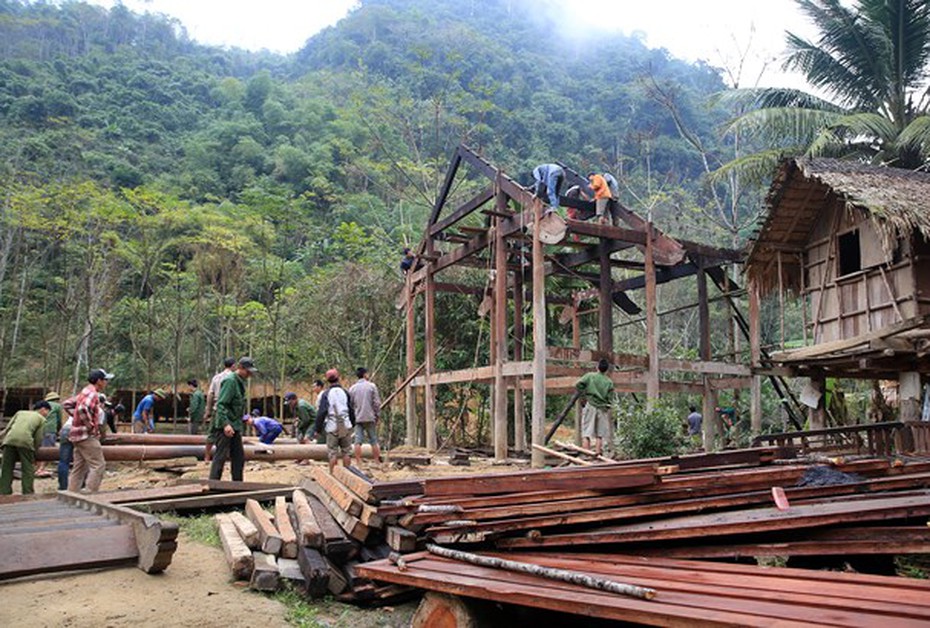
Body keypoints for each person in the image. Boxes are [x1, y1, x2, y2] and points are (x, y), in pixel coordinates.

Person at [209, 357, 257, 481]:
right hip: (226, 426)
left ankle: (237, 484)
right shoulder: (230, 381)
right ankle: (213, 483)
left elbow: (236, 406)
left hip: (235, 425)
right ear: (240, 368)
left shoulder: (239, 382)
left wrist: (244, 418)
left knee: (238, 457)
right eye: (248, 371)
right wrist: (225, 424)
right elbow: (221, 404)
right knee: (220, 456)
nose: (249, 374)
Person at [67, 368, 114, 493]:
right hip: (85, 436)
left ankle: (72, 493)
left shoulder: (84, 391)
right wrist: (90, 427)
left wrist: (76, 418)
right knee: (98, 465)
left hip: (76, 434)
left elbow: (67, 404)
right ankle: (90, 493)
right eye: (105, 380)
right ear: (99, 381)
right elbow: (83, 409)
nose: (106, 383)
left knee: (80, 466)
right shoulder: (93, 393)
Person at [0, 400, 51, 495]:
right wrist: (34, 450)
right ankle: (28, 492)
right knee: (27, 469)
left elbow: (8, 428)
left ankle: (4, 491)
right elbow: (38, 437)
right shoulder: (41, 419)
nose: (47, 414)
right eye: (48, 411)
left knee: (6, 468)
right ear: (43, 409)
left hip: (9, 441)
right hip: (25, 442)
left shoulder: (20, 413)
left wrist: (2, 441)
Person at [314, 368, 355, 473]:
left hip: (332, 427)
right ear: (338, 378)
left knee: (332, 453)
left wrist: (317, 429)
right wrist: (352, 424)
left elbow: (322, 412)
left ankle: (333, 475)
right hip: (345, 425)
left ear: (327, 381)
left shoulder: (326, 394)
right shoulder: (345, 392)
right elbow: (351, 410)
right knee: (346, 452)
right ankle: (347, 475)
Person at [575, 358, 616, 457]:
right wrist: (607, 405)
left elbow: (578, 384)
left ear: (597, 367)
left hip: (591, 406)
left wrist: (584, 395)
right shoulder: (609, 382)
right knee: (600, 433)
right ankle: (598, 454)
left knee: (586, 432)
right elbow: (610, 398)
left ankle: (586, 454)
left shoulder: (590, 376)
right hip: (602, 408)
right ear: (606, 370)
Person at [349, 367, 383, 466]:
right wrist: (377, 415)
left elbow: (350, 404)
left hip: (358, 417)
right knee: (373, 440)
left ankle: (358, 462)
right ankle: (377, 461)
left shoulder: (352, 388)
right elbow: (376, 403)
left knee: (357, 441)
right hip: (369, 416)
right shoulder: (372, 386)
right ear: (365, 375)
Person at [37, 391, 63, 475]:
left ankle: (38, 467)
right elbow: (59, 419)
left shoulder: (42, 405)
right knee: (48, 449)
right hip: (50, 429)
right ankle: (41, 469)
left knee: (39, 448)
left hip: (39, 428)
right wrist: (58, 429)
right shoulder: (57, 406)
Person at [58, 414, 74, 491]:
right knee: (83, 460)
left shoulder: (75, 407)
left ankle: (63, 486)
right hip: (77, 429)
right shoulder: (97, 410)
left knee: (63, 461)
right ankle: (80, 485)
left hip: (65, 429)